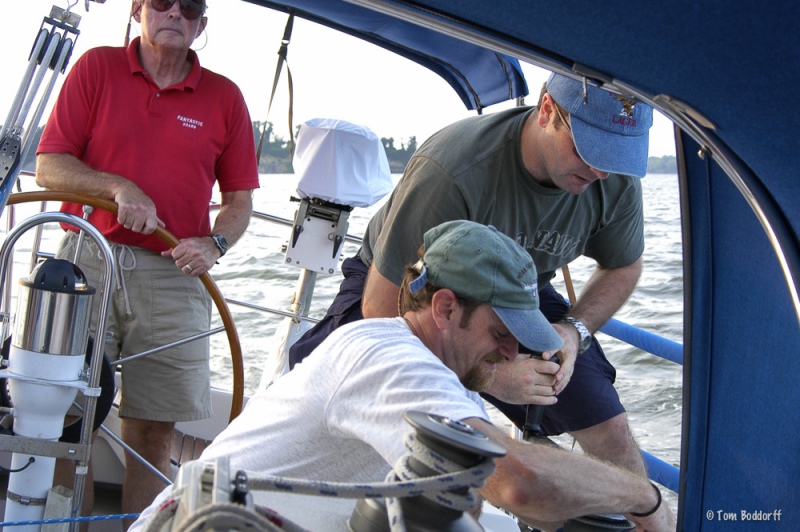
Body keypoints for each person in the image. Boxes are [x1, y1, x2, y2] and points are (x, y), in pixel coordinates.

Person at [131, 220, 674, 531]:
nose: (513, 351)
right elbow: (518, 481)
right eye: (501, 331)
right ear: (443, 308)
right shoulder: (390, 360)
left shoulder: (426, 367)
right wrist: (641, 495)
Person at [289, 73, 652, 477]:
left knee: (608, 423)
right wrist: (491, 376)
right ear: (547, 109)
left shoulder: (612, 178)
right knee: (359, 422)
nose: (601, 171)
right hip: (411, 288)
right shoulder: (452, 170)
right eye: (588, 149)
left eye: (615, 155)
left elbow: (624, 264)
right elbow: (380, 310)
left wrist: (574, 330)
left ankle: (646, 514)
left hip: (521, 292)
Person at [35, 0, 259, 525]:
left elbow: (240, 202)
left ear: (202, 24)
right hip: (86, 260)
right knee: (71, 422)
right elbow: (48, 164)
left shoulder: (224, 97)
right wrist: (116, 186)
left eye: (190, 6)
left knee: (153, 434)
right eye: (162, 1)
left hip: (175, 274)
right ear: (138, 9)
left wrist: (215, 245)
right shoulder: (96, 68)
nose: (174, 12)